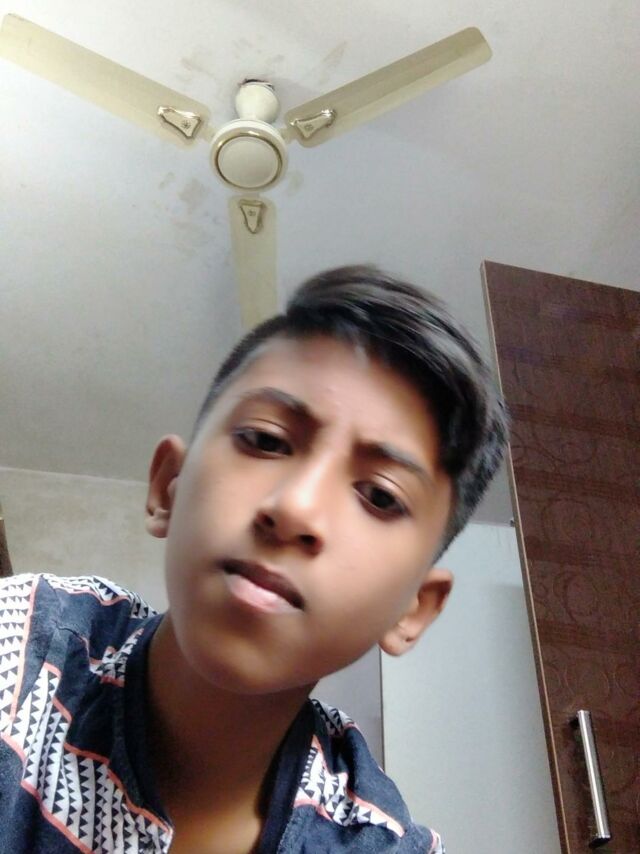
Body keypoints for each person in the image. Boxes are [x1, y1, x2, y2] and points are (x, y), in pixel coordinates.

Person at [0, 265, 509, 853]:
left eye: (379, 495)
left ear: (412, 609)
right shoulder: (21, 653)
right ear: (169, 487)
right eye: (266, 440)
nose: (295, 508)